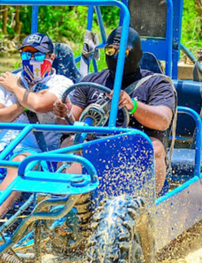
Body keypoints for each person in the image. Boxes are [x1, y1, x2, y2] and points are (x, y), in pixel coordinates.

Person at [0, 33, 73, 226]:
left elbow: (39, 105)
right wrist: (22, 103)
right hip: (0, 147)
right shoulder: (7, 81)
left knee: (19, 162)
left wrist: (16, 89)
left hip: (36, 153)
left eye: (38, 55)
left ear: (51, 57)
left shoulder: (61, 83)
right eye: (26, 54)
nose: (31, 60)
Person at [53, 27, 176, 193]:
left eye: (123, 52)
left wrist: (132, 105)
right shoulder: (91, 81)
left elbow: (162, 121)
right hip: (94, 143)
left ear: (137, 55)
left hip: (135, 147)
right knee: (69, 142)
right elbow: (71, 119)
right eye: (110, 50)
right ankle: (68, 199)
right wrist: (64, 112)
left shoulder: (157, 83)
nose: (115, 56)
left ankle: (145, 206)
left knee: (155, 148)